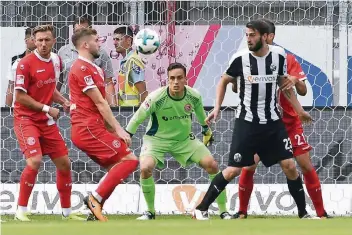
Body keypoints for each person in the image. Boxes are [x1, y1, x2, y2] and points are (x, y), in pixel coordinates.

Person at [193, 20, 314, 220]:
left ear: (264, 36)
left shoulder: (278, 56)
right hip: (247, 123)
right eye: (246, 35)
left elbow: (284, 83)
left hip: (274, 122)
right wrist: (217, 108)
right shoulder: (240, 58)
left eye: (252, 35)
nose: (248, 39)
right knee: (233, 170)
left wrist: (299, 109)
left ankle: (303, 213)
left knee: (290, 166)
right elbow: (224, 80)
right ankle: (201, 208)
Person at [233, 18, 331, 219]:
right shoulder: (248, 59)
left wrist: (295, 80)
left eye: (260, 34)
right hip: (263, 122)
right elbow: (236, 86)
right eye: (250, 35)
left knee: (302, 164)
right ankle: (242, 211)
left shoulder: (285, 58)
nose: (254, 39)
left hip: (289, 123)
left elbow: (302, 91)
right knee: (249, 164)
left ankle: (320, 213)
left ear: (270, 36)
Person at [125, 62, 232, 220]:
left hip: (184, 140)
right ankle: (150, 212)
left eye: (179, 78)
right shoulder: (156, 98)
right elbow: (137, 119)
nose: (175, 82)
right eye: (172, 78)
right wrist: (127, 136)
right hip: (156, 140)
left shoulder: (193, 95)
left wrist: (206, 131)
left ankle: (224, 211)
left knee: (212, 165)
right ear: (167, 80)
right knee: (145, 167)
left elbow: (201, 115)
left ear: (185, 79)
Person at [13, 24, 83, 221]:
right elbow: (19, 96)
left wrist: (63, 102)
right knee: (35, 161)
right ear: (34, 41)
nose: (43, 44)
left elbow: (48, 88)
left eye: (47, 40)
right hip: (26, 119)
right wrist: (47, 108)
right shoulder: (24, 64)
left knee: (64, 164)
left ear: (54, 41)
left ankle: (67, 213)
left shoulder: (56, 60)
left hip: (46, 121)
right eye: (40, 40)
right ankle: (21, 210)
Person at [68, 27, 139, 222]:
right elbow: (99, 103)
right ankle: (94, 199)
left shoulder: (96, 69)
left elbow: (101, 106)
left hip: (94, 127)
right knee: (130, 160)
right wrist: (119, 129)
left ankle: (95, 206)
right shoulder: (80, 68)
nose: (100, 43)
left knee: (118, 165)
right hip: (87, 128)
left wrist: (112, 131)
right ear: (85, 44)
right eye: (97, 40)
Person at [58, 17, 116, 106]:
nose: (79, 35)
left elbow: (108, 82)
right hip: (67, 106)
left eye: (83, 32)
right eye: (77, 31)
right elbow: (59, 81)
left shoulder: (100, 53)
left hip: (92, 106)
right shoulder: (63, 51)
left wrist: (114, 108)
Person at [113, 26, 148, 106]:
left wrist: (140, 115)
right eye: (114, 39)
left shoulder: (133, 61)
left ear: (128, 41)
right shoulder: (126, 61)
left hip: (132, 112)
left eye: (118, 39)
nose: (114, 43)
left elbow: (143, 92)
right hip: (125, 111)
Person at [5, 27, 36, 107]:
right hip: (18, 108)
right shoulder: (15, 61)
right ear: (26, 40)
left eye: (39, 39)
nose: (37, 42)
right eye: (33, 39)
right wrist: (7, 109)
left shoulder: (45, 61)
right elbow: (11, 87)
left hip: (38, 107)